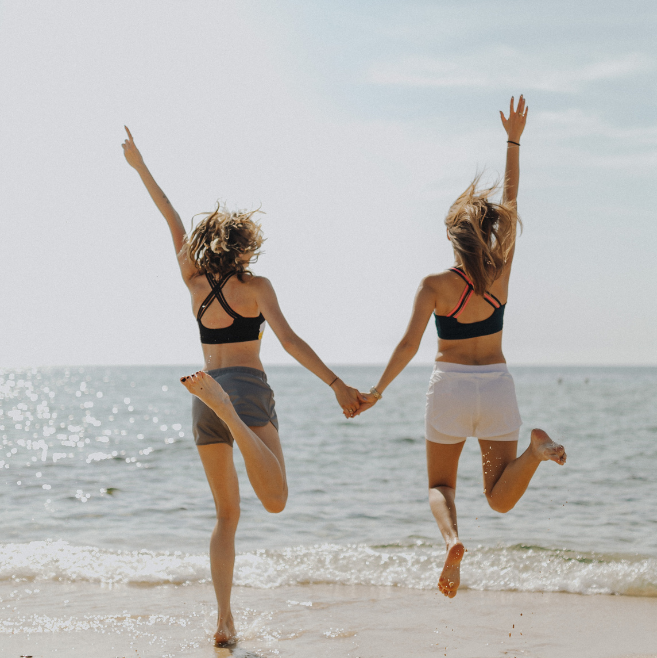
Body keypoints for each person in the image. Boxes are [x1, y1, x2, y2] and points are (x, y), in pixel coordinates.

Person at [121, 127, 364, 645]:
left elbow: (169, 216)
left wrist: (140, 166)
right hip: (243, 392)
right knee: (274, 500)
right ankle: (230, 413)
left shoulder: (193, 283)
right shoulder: (256, 288)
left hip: (202, 389)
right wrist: (337, 385)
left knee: (226, 517)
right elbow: (292, 342)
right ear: (246, 248)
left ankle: (224, 619)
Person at [356, 96, 567, 599]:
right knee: (497, 498)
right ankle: (535, 454)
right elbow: (512, 202)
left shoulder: (433, 285)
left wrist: (378, 390)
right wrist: (513, 142)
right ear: (488, 236)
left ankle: (452, 540)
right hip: (496, 389)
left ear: (452, 241)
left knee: (441, 488)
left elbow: (408, 345)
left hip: (449, 390)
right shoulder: (501, 273)